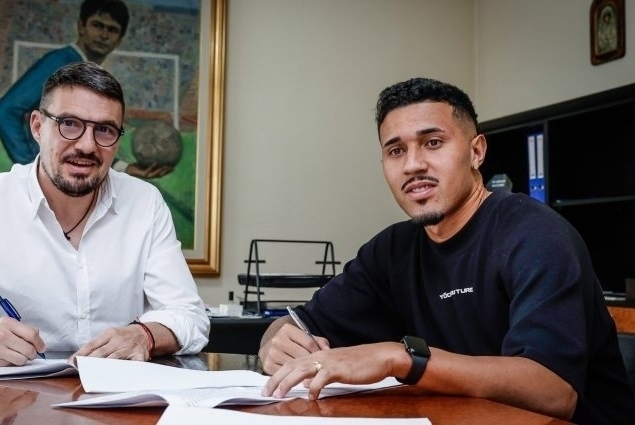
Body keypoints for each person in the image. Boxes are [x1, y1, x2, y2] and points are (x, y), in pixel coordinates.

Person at [258, 77, 635, 424]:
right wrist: (276, 340)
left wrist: (402, 358)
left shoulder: (536, 235)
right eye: (396, 150)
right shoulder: (391, 250)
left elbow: (553, 391)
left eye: (433, 143)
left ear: (476, 151)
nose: (413, 165)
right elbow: (299, 324)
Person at [0, 62, 209, 366]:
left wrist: (144, 335)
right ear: (37, 127)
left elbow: (190, 317)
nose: (87, 145)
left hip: (114, 401)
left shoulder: (145, 203)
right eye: (69, 124)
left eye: (104, 130)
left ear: (118, 140)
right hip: (7, 401)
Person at [0, 0, 170, 178]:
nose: (103, 35)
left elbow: (83, 141)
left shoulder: (91, 71)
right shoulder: (59, 62)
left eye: (112, 30)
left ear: (119, 39)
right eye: (97, 25)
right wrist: (31, 166)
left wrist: (125, 168)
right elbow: (5, 111)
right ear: (81, 26)